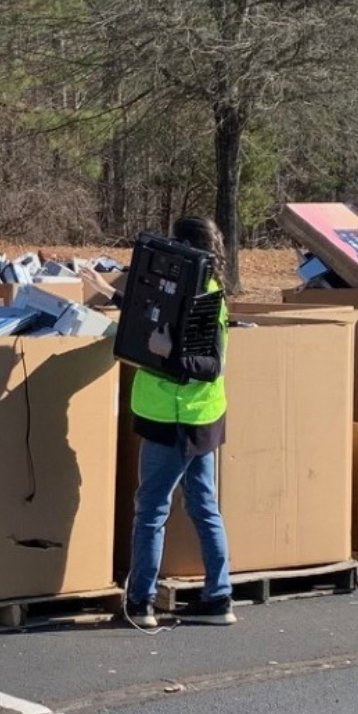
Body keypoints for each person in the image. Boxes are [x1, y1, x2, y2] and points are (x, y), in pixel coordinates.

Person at [123, 217, 236, 629]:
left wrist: (166, 354)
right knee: (203, 506)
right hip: (198, 418)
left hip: (175, 420)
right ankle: (219, 596)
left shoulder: (205, 299)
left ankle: (141, 602)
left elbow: (209, 366)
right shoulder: (203, 291)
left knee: (152, 509)